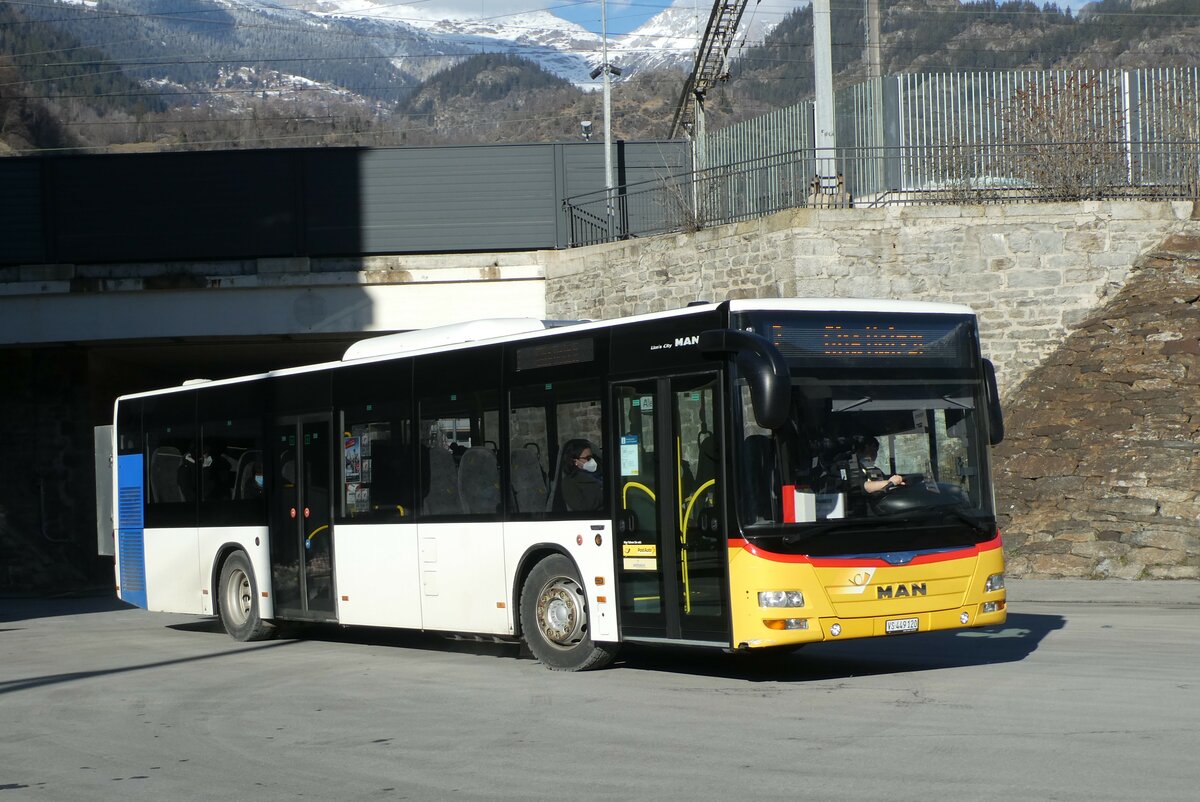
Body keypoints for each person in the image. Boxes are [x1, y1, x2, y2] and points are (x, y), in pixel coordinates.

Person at [559, 439, 603, 512]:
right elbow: (584, 508)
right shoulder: (569, 482)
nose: (592, 461)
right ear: (576, 461)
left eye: (592, 457)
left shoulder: (599, 472)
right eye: (588, 458)